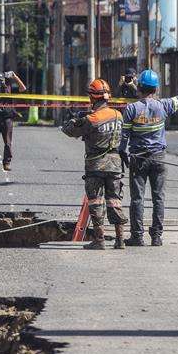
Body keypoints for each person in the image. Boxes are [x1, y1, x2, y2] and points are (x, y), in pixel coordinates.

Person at [119, 65, 178, 247]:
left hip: (138, 159)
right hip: (159, 158)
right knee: (158, 198)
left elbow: (124, 139)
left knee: (137, 198)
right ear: (156, 89)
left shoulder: (131, 109)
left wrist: (123, 154)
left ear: (139, 88)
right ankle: (156, 237)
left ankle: (137, 237)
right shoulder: (164, 105)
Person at [61, 79, 128, 250]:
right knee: (115, 200)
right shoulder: (118, 115)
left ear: (92, 98)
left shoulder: (92, 119)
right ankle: (120, 240)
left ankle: (99, 240)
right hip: (115, 164)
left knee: (96, 202)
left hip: (96, 165)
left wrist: (73, 121)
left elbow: (70, 131)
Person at [0, 70, 27, 172]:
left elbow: (23, 88)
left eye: (1, 80)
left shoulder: (9, 86)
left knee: (7, 142)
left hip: (7, 118)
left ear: (5, 79)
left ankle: (7, 163)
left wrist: (15, 77)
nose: (0, 82)